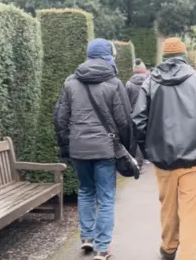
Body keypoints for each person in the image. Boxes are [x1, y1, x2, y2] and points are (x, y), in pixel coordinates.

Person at [132, 37, 196, 260]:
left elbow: (138, 121)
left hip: (163, 158)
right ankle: (187, 256)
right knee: (192, 213)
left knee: (168, 207)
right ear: (183, 55)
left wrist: (149, 149)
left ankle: (169, 247)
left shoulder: (150, 83)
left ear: (164, 58)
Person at [54, 38, 133, 260]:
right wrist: (124, 147)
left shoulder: (70, 81)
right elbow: (124, 121)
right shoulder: (114, 82)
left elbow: (60, 118)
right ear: (108, 56)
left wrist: (66, 145)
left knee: (86, 190)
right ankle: (102, 247)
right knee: (106, 198)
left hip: (79, 148)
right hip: (105, 148)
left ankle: (87, 238)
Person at [126, 58, 149, 169]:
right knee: (144, 135)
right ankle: (140, 161)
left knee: (134, 137)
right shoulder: (149, 82)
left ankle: (133, 159)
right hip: (146, 114)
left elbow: (126, 100)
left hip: (132, 113)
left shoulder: (129, 84)